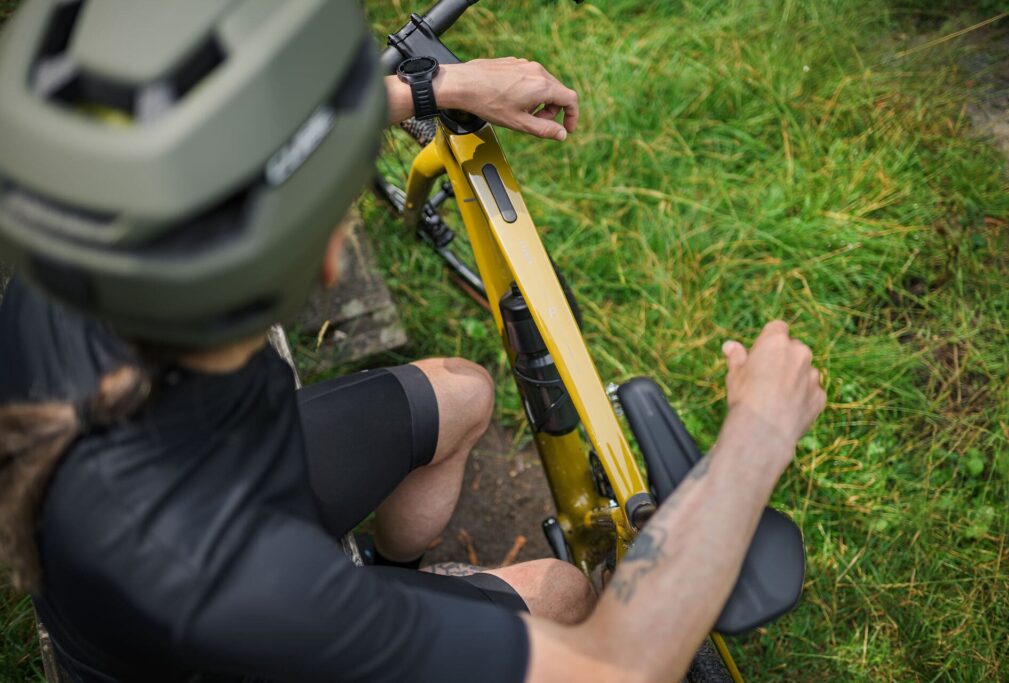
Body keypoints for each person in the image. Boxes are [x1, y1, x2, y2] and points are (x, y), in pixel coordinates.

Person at [0, 2, 824, 682]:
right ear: (326, 257)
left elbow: (247, 146)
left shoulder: (81, 255)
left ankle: (396, 582)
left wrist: (441, 86)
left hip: (217, 478)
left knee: (462, 392)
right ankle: (389, 610)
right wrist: (756, 435)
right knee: (566, 593)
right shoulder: (243, 590)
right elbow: (621, 664)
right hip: (225, 645)